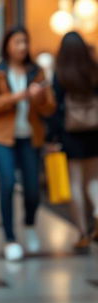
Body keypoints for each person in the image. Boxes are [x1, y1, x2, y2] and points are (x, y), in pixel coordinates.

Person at [0, 26, 55, 262]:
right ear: (7, 46)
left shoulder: (36, 71)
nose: (22, 47)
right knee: (8, 184)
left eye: (25, 42)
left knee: (33, 189)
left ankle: (30, 225)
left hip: (30, 137)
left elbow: (50, 108)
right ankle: (10, 239)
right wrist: (18, 96)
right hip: (2, 138)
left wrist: (40, 97)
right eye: (17, 42)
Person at [49, 31, 98, 250]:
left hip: (71, 133)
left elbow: (54, 108)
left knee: (76, 182)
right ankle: (97, 210)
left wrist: (54, 137)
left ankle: (81, 232)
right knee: (94, 180)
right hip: (95, 131)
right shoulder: (93, 69)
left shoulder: (61, 73)